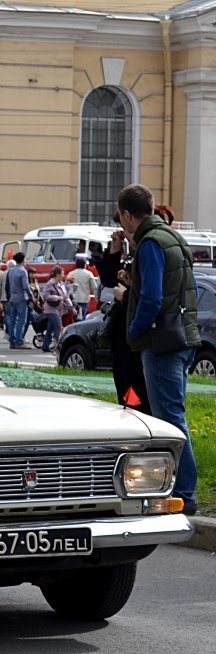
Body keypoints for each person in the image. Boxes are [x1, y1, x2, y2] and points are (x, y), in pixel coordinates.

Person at [119, 183, 200, 515]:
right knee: (173, 413)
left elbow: (153, 297)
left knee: (169, 419)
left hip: (161, 341)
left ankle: (183, 491)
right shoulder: (172, 237)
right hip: (183, 336)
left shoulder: (150, 243)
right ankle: (182, 488)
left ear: (127, 214)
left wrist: (134, 330)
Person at [97, 212, 151, 415]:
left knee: (135, 385)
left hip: (135, 333)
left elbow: (149, 295)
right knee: (123, 379)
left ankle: (135, 413)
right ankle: (129, 410)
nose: (123, 234)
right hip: (123, 332)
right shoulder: (133, 253)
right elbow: (110, 280)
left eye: (126, 230)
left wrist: (126, 295)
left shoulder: (148, 250)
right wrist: (115, 251)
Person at [39, 265, 72, 353]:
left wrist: (71, 307)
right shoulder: (50, 283)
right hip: (51, 309)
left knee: (50, 329)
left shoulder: (61, 284)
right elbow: (45, 295)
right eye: (62, 274)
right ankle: (60, 347)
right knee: (58, 327)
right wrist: (56, 297)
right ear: (57, 274)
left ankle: (45, 346)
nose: (63, 275)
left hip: (58, 309)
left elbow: (65, 296)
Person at [5, 251, 31, 349]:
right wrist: (30, 295)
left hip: (12, 298)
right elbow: (25, 286)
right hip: (21, 298)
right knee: (21, 320)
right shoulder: (22, 271)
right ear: (23, 260)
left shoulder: (11, 271)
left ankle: (12, 340)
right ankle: (19, 341)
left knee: (12, 320)